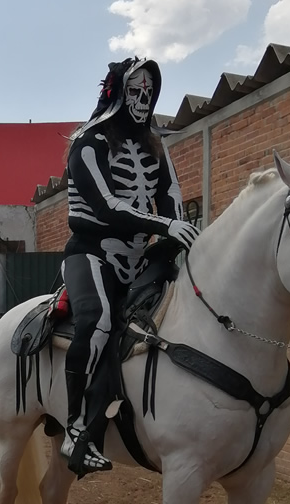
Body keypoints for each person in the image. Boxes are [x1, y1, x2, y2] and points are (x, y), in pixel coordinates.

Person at [60, 57, 199, 475]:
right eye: (136, 90)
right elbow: (107, 206)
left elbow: (170, 192)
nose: (143, 99)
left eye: (149, 92)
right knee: (98, 320)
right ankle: (75, 429)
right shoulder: (88, 142)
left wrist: (177, 230)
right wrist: (166, 225)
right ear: (118, 90)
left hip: (140, 258)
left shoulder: (157, 145)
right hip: (92, 254)